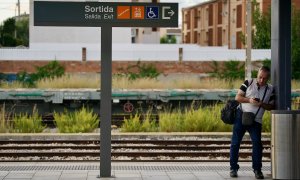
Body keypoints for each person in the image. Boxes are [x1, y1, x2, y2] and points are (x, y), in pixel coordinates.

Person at [230, 66, 275, 179]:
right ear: (257, 74)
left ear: (268, 78)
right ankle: (233, 168)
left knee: (257, 144)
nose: (261, 80)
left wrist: (261, 104)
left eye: (264, 78)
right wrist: (249, 100)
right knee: (235, 143)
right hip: (241, 115)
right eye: (260, 77)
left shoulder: (270, 89)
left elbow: (271, 106)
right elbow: (238, 97)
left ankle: (257, 170)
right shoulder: (248, 82)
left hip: (256, 120)